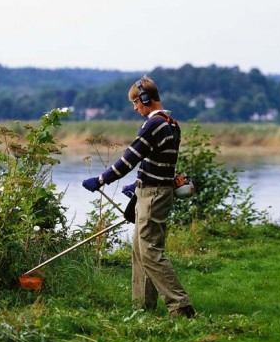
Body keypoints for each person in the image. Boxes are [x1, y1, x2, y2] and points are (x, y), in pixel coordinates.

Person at [82, 75, 196, 320]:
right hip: (152, 190)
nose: (135, 108)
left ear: (145, 98)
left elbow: (129, 158)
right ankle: (142, 308)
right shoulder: (171, 123)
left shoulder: (153, 124)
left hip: (154, 195)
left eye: (135, 102)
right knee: (140, 249)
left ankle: (181, 307)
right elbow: (159, 162)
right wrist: (137, 184)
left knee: (150, 251)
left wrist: (101, 180)